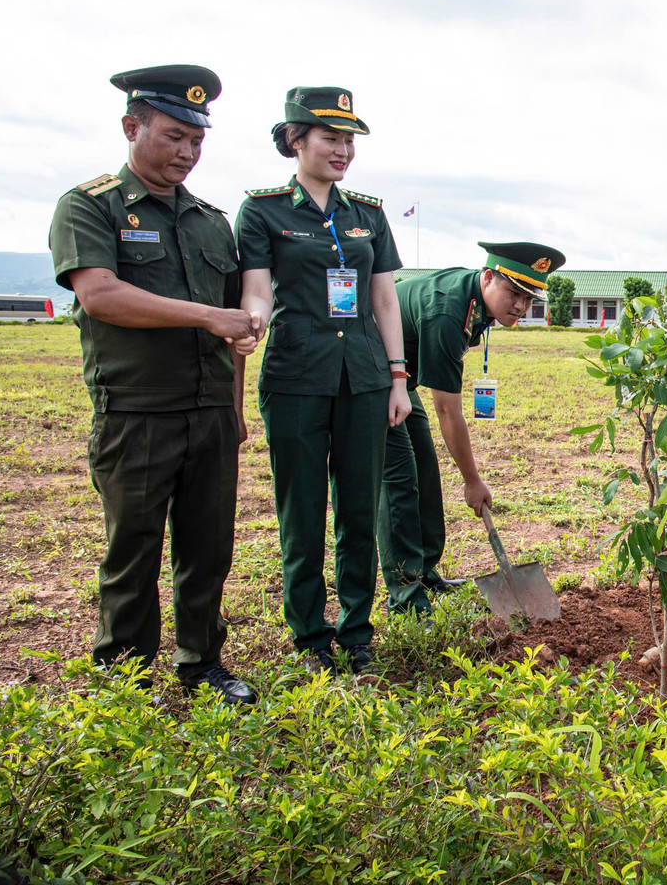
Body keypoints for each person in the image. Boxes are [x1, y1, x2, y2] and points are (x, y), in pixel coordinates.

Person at [48, 65, 258, 704]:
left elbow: (234, 328)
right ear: (131, 126)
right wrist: (207, 316)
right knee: (132, 552)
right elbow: (102, 295)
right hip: (136, 413)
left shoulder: (208, 221)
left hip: (209, 414)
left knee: (208, 549)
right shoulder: (89, 205)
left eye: (197, 142)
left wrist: (235, 403)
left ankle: (203, 665)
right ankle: (125, 682)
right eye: (173, 137)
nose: (187, 154)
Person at [237, 87, 411, 675]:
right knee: (303, 512)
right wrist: (252, 319)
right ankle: (310, 635)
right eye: (330, 138)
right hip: (295, 376)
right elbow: (258, 288)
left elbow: (384, 300)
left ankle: (357, 631)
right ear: (295, 140)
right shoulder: (262, 211)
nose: (343, 150)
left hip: (363, 376)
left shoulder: (367, 213)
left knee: (360, 508)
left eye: (349, 140)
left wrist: (397, 377)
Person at [378, 242, 567, 611]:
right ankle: (405, 596)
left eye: (529, 299)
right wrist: (472, 480)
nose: (520, 306)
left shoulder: (475, 302)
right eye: (513, 293)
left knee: (425, 471)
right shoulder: (449, 312)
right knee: (400, 480)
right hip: (372, 372)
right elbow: (448, 411)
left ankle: (427, 574)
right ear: (487, 278)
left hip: (403, 378)